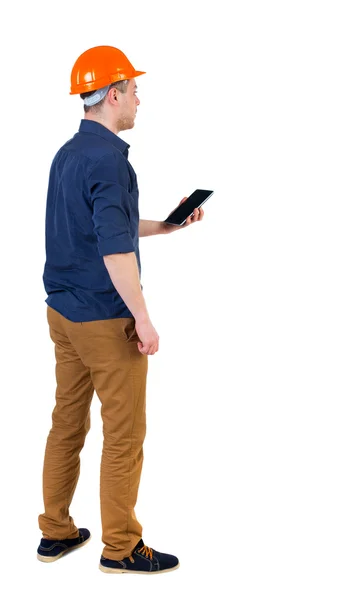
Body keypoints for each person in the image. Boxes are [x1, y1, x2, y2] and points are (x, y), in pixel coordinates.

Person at [36, 45, 204, 574]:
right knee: (124, 434)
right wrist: (145, 319)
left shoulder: (69, 153)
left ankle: (56, 533)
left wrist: (165, 226)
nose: (138, 98)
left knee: (67, 423)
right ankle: (122, 547)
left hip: (63, 314)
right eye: (133, 89)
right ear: (112, 94)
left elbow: (105, 228)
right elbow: (112, 250)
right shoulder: (109, 160)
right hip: (107, 320)